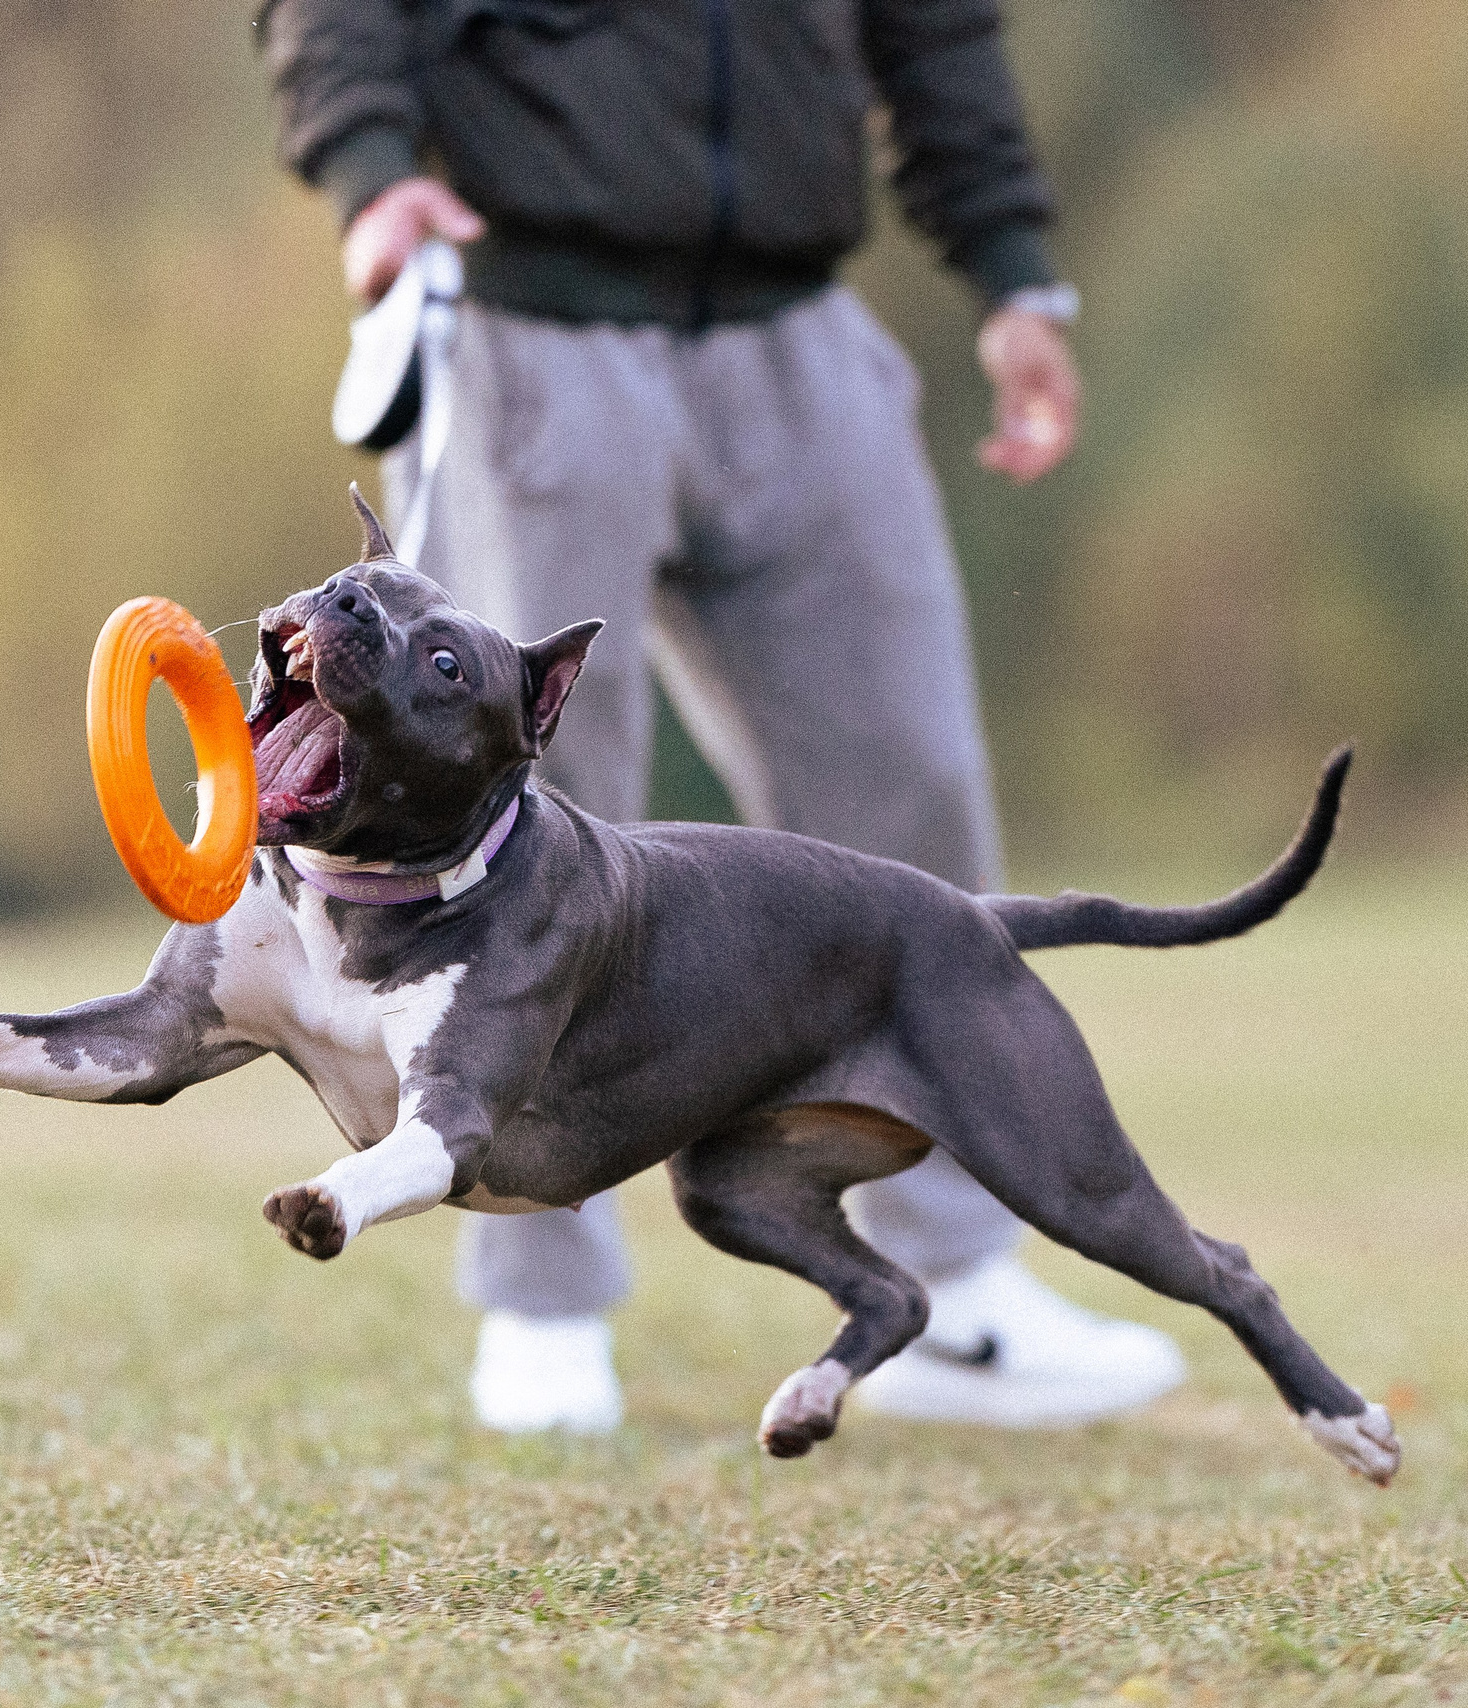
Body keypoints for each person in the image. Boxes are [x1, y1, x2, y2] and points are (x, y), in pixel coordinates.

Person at [261, 0, 1185, 1433]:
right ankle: (544, 1306)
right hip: (531, 311)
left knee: (915, 798)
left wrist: (1013, 271)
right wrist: (371, 166)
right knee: (522, 843)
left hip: (797, 323)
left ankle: (956, 1281)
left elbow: (934, 27)